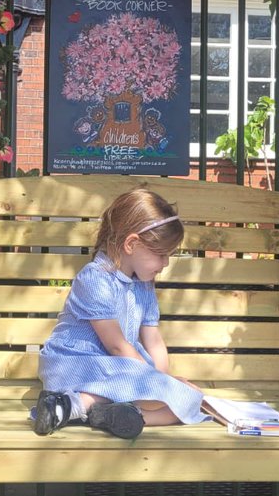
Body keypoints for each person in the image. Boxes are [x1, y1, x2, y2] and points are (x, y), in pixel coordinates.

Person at [34, 187, 206, 439]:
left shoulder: (144, 286)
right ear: (132, 244)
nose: (165, 264)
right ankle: (69, 405)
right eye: (161, 255)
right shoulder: (95, 279)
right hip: (75, 365)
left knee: (193, 397)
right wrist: (157, 385)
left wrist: (163, 380)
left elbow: (154, 340)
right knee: (171, 391)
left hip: (118, 371)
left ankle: (115, 416)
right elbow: (116, 346)